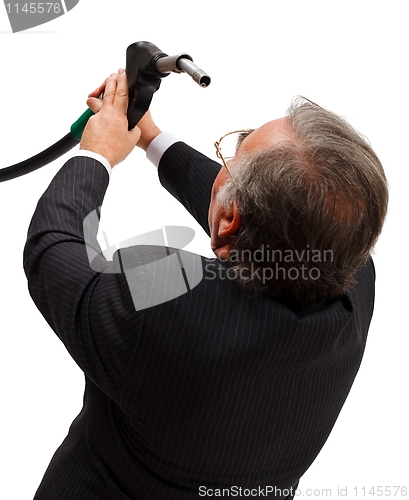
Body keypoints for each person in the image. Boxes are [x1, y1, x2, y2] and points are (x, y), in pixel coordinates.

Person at [24, 69, 388, 499]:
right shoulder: (354, 281)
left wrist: (96, 154)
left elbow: (54, 253)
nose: (222, 164)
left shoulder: (160, 306)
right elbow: (274, 221)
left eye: (230, 158)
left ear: (231, 219)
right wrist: (152, 138)